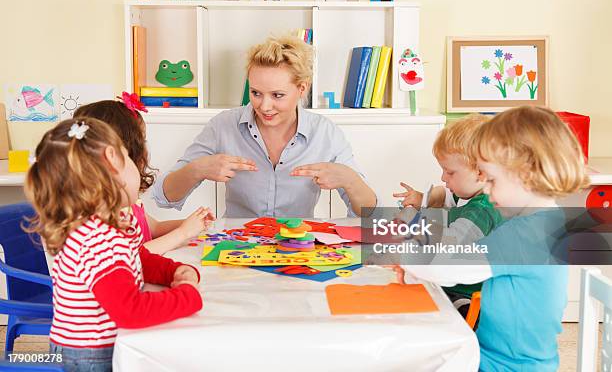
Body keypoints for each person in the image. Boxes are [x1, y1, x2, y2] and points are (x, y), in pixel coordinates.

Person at [395, 106, 590, 371]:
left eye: (492, 180)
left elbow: (446, 267)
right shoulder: (543, 220)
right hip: (500, 354)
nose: (485, 188)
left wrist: (401, 252)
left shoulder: (525, 234)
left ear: (526, 174)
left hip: (508, 365)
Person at [25, 118, 203, 372]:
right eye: (127, 156)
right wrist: (187, 296)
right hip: (91, 355)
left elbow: (134, 258)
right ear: (112, 158)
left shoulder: (98, 223)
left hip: (81, 347)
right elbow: (130, 311)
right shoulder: (98, 239)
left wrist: (173, 271)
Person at [153, 35, 377, 218]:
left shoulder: (325, 132)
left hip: (299, 247)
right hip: (237, 247)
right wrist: (197, 169)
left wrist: (349, 178)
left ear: (302, 88)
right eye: (256, 93)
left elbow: (370, 214)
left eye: (277, 95)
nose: (264, 106)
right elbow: (165, 196)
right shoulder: (223, 125)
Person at [393, 114, 503, 318]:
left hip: (470, 293)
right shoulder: (469, 195)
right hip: (454, 283)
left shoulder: (483, 209)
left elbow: (451, 242)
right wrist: (423, 199)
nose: (443, 177)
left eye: (450, 172)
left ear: (481, 173)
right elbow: (447, 197)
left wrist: (414, 224)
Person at [74, 97, 214, 254]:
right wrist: (183, 233)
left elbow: (154, 228)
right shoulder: (98, 213)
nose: (145, 151)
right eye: (142, 141)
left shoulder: (129, 202)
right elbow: (131, 256)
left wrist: (192, 224)